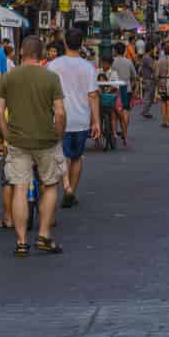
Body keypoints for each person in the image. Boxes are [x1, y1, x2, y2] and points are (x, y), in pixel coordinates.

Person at [0, 34, 67, 256]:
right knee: (51, 184)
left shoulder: (9, 77)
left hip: (17, 140)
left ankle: (22, 241)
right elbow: (60, 113)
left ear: (21, 52)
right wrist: (58, 135)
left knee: (20, 188)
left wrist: (7, 134)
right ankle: (44, 234)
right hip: (46, 140)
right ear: (42, 54)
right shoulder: (51, 78)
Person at [47, 29, 99, 206]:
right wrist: (96, 121)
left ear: (66, 43)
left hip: (60, 117)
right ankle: (71, 191)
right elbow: (93, 95)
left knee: (61, 155)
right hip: (81, 119)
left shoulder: (54, 65)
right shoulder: (88, 67)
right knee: (77, 157)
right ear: (81, 43)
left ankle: (66, 186)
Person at [109, 43, 136, 146]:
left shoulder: (113, 62)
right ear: (124, 50)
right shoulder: (128, 62)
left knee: (114, 113)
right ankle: (125, 133)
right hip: (126, 88)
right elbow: (134, 76)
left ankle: (115, 134)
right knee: (125, 110)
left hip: (115, 89)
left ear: (115, 50)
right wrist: (132, 87)